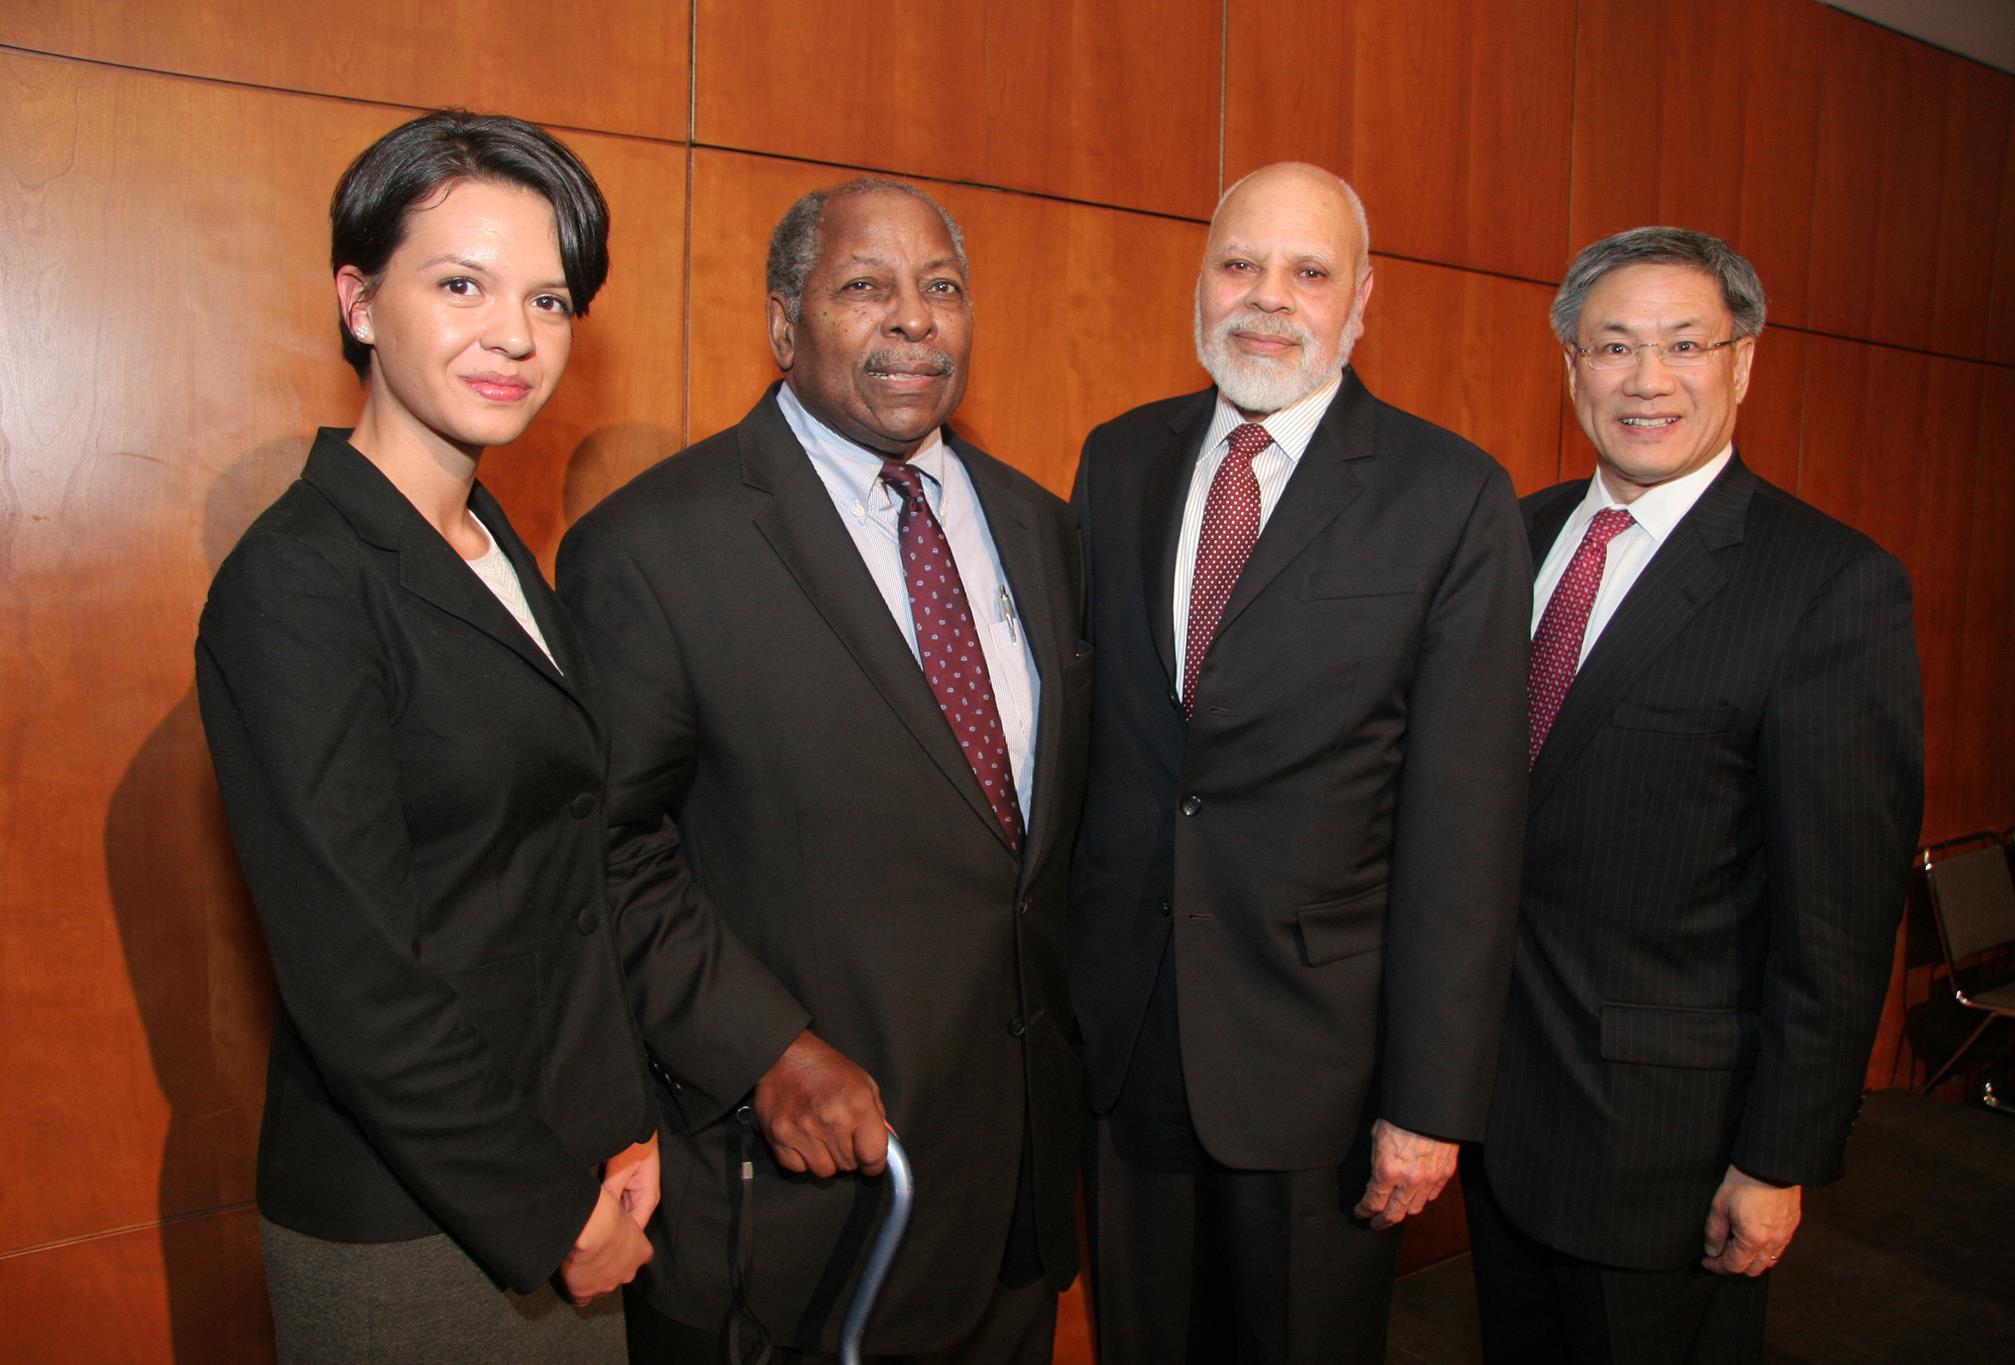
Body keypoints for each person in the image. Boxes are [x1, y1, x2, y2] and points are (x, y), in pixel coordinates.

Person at [555, 178, 1089, 1364]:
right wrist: (763, 1047)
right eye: (866, 287)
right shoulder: (652, 549)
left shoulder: (1043, 530)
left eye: (941, 288)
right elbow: (605, 853)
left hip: (1011, 1188)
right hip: (800, 1194)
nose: (915, 321)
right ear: (784, 324)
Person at [196, 109, 658, 1361]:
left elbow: (546, 878)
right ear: (357, 299)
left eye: (550, 301)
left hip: (562, 1181)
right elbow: (358, 982)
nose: (513, 335)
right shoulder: (298, 578)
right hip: (416, 1227)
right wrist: (553, 1211)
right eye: (461, 285)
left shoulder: (493, 543)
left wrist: (616, 1120)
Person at [1067, 161, 1531, 1364]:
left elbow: (1464, 827)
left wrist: (1428, 1104)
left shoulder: (1451, 496)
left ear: (1360, 302)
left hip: (1321, 1064)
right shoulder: (1115, 461)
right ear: (1198, 283)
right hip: (1127, 1043)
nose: (1265, 298)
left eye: (1307, 272)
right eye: (1238, 263)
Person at [1465, 227, 1924, 1364]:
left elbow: (1836, 918)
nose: (1645, 378)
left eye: (1681, 344)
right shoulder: (1504, 539)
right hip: (1491, 1116)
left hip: (1666, 1148)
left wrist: (1776, 1158)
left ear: (1742, 362)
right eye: (1611, 345)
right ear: (1571, 366)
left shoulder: (1825, 586)